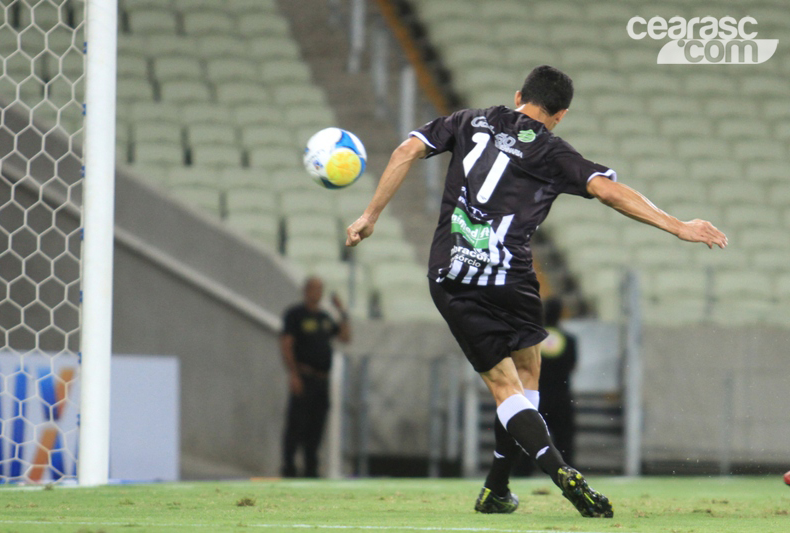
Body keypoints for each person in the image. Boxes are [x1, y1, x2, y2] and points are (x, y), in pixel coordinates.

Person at [345, 65, 726, 517]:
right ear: (560, 114)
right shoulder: (552, 150)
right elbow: (608, 192)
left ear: (519, 94)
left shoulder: (470, 121)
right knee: (527, 376)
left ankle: (553, 471)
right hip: (513, 278)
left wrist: (370, 215)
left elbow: (406, 149)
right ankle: (498, 487)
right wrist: (678, 226)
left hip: (454, 274)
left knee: (503, 387)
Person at [280, 276, 351, 478]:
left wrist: (342, 312)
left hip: (322, 380)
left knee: (316, 425)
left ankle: (311, 469)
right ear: (305, 290)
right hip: (304, 376)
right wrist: (293, 374)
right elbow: (286, 344)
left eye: (320, 289)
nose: (317, 293)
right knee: (296, 424)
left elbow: (345, 338)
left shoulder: (325, 318)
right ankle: (289, 468)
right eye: (314, 288)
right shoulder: (295, 315)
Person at [517, 297, 578, 476]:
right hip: (561, 396)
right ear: (561, 314)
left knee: (530, 437)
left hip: (536, 395)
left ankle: (523, 473)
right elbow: (572, 365)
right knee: (564, 439)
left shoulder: (533, 338)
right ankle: (568, 474)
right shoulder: (569, 339)